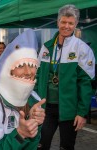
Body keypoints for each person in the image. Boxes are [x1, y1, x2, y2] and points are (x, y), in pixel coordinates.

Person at [36, 4, 95, 150]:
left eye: (70, 23)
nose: (66, 26)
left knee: (67, 147)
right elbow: (36, 77)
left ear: (75, 24)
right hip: (46, 108)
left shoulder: (82, 49)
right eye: (63, 22)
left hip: (69, 110)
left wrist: (82, 113)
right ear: (58, 22)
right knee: (40, 145)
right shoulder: (46, 47)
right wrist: (34, 104)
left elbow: (85, 84)